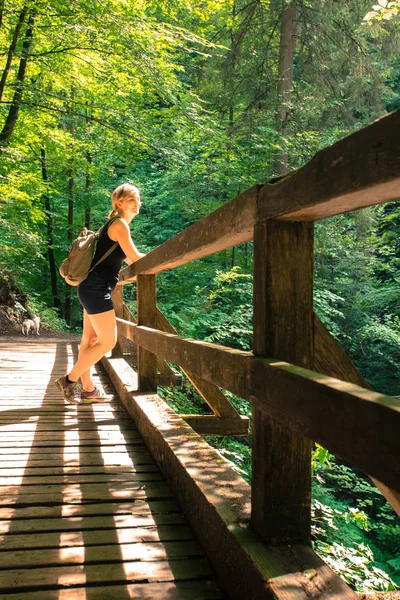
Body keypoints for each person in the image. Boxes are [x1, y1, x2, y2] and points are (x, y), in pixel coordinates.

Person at [55, 183, 145, 404]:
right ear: (119, 202)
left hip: (91, 288)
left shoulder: (112, 224)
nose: (138, 204)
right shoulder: (120, 225)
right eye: (133, 200)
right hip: (96, 290)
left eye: (138, 199)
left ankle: (88, 390)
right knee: (108, 342)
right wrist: (164, 261)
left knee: (90, 339)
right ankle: (69, 380)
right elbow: (135, 258)